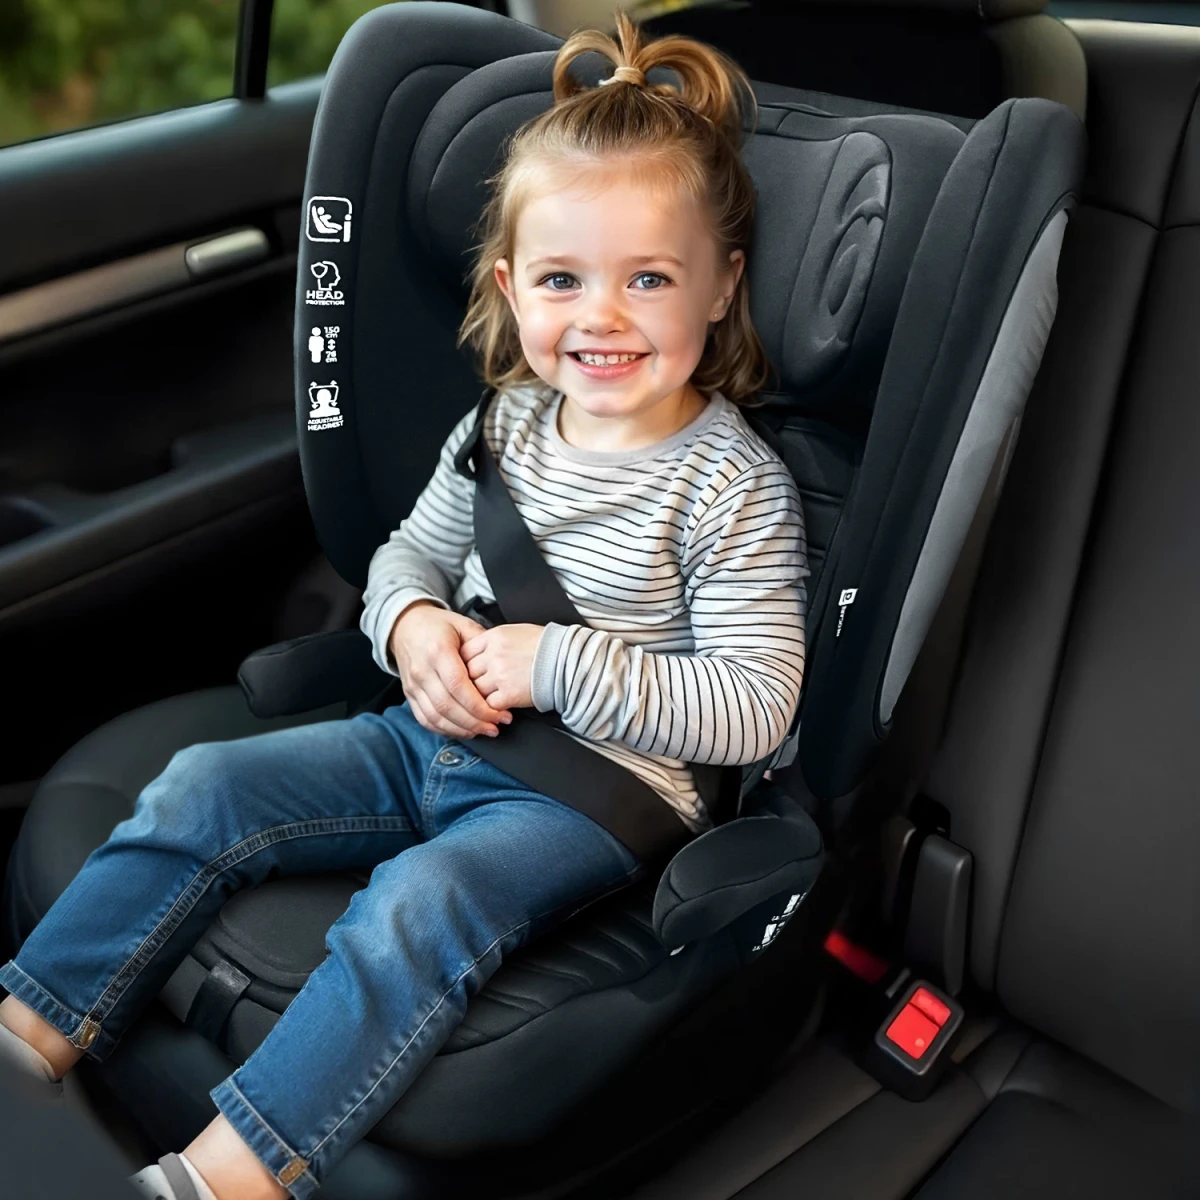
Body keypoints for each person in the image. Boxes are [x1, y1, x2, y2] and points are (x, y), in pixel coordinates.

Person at [0, 12, 809, 1199]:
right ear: (511, 288)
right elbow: (405, 560)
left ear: (723, 284)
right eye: (563, 280)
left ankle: (225, 1177)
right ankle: (32, 1033)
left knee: (416, 907)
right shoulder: (500, 427)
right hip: (425, 735)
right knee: (203, 786)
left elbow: (755, 706)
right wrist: (411, 626)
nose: (602, 316)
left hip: (590, 793)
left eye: (650, 278)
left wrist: (551, 664)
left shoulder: (730, 483)